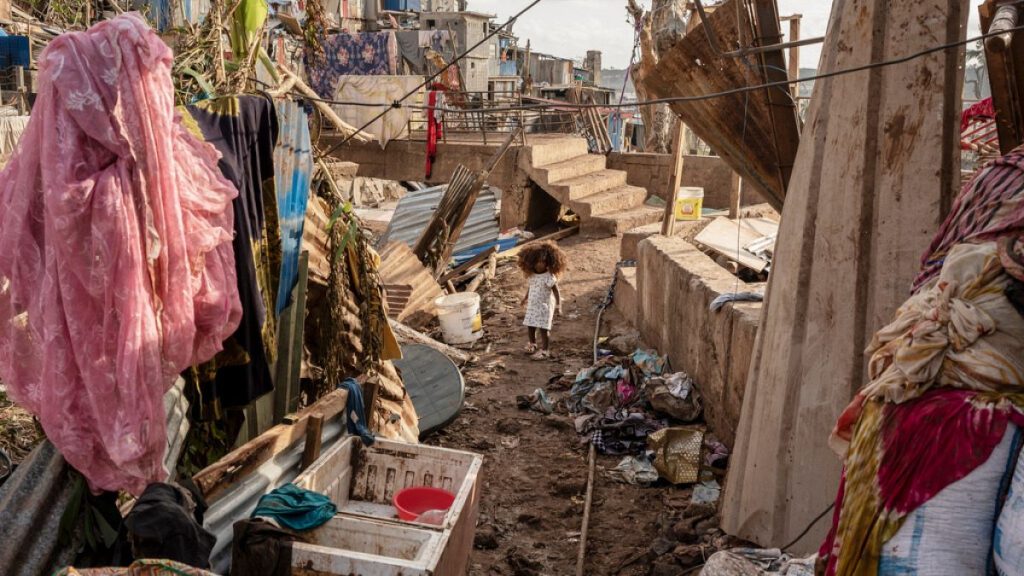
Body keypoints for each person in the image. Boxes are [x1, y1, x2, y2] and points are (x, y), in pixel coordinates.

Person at [517, 241, 566, 360]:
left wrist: (559, 305)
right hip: (533, 305)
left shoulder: (549, 276)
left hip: (545, 306)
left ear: (548, 262)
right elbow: (531, 287)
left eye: (542, 262)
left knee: (544, 329)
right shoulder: (532, 275)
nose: (539, 265)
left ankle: (545, 350)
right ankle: (533, 344)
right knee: (531, 325)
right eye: (537, 262)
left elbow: (556, 291)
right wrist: (525, 298)